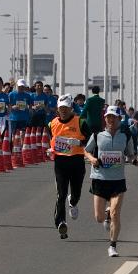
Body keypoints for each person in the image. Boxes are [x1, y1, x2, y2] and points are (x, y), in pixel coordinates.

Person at [85, 105, 138, 258]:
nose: (110, 120)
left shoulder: (126, 136)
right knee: (99, 218)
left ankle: (112, 246)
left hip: (117, 180)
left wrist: (134, 160)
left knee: (116, 213)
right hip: (99, 179)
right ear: (105, 119)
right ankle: (106, 214)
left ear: (119, 119)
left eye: (113, 117)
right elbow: (86, 150)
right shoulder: (98, 135)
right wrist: (92, 159)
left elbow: (130, 154)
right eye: (108, 117)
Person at [48, 95, 88, 239]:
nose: (63, 111)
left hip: (77, 161)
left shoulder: (81, 122)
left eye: (66, 108)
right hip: (60, 163)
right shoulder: (52, 124)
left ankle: (73, 202)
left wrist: (79, 143)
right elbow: (52, 140)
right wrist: (51, 149)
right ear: (57, 109)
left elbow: (91, 140)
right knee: (61, 194)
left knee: (76, 192)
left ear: (71, 108)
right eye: (61, 108)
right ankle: (61, 223)